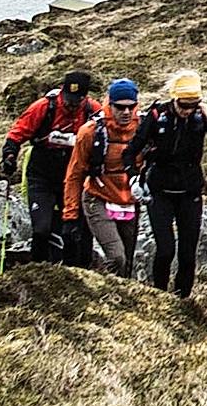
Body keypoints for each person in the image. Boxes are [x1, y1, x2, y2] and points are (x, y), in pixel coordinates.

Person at [137, 71, 207, 301]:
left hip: (190, 192)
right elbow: (132, 149)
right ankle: (158, 297)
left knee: (188, 254)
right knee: (166, 250)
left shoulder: (202, 116)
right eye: (184, 105)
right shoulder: (157, 115)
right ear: (174, 99)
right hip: (160, 191)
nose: (187, 110)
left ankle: (183, 300)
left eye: (193, 105)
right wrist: (132, 178)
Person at [61, 77, 150, 278]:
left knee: (127, 262)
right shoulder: (90, 132)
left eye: (131, 107)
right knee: (117, 257)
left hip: (129, 199)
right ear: (110, 104)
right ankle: (108, 294)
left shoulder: (144, 128)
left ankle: (121, 300)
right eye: (120, 107)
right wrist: (70, 216)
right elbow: (74, 175)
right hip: (97, 197)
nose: (126, 112)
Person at [3, 70, 95, 261]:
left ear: (84, 98)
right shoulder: (44, 107)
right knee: (41, 229)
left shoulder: (91, 111)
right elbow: (17, 132)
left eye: (76, 101)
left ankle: (75, 272)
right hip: (41, 175)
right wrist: (10, 154)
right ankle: (38, 269)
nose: (70, 105)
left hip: (72, 177)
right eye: (68, 99)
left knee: (75, 230)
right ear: (62, 91)